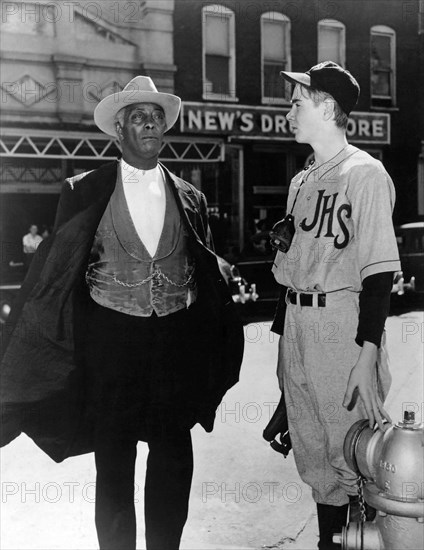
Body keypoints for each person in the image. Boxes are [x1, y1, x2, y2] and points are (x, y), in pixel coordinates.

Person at [1, 76, 244, 550]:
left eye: (156, 116)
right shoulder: (84, 190)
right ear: (119, 130)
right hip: (110, 345)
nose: (150, 123)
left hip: (173, 345)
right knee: (114, 460)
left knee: (174, 454)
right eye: (139, 116)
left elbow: (204, 273)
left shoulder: (191, 198)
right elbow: (58, 271)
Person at [270, 61, 400, 550]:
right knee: (315, 455)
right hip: (299, 324)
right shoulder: (301, 182)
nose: (289, 110)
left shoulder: (365, 173)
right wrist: (288, 366)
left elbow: (379, 273)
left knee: (355, 454)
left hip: (340, 321)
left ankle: (366, 543)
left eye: (297, 102)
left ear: (326, 107)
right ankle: (331, 544)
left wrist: (367, 355)